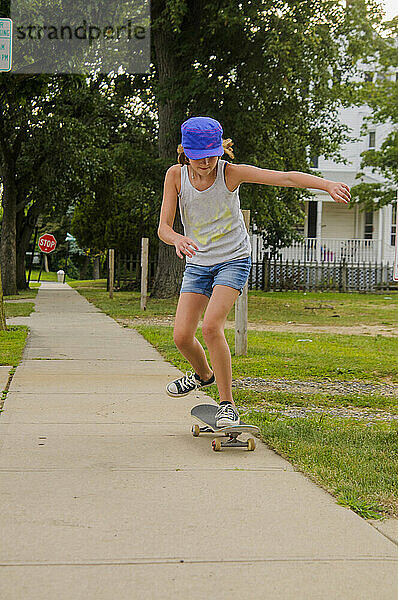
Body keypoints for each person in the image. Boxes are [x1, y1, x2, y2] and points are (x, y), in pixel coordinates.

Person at [157, 116, 350, 427]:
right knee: (181, 337)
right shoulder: (175, 177)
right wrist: (177, 238)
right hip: (197, 262)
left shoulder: (230, 173)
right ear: (185, 153)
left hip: (233, 258)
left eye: (212, 155)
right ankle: (204, 375)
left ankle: (226, 404)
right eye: (199, 158)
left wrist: (326, 184)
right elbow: (164, 228)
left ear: (220, 150)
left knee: (210, 327)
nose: (206, 164)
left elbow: (285, 178)